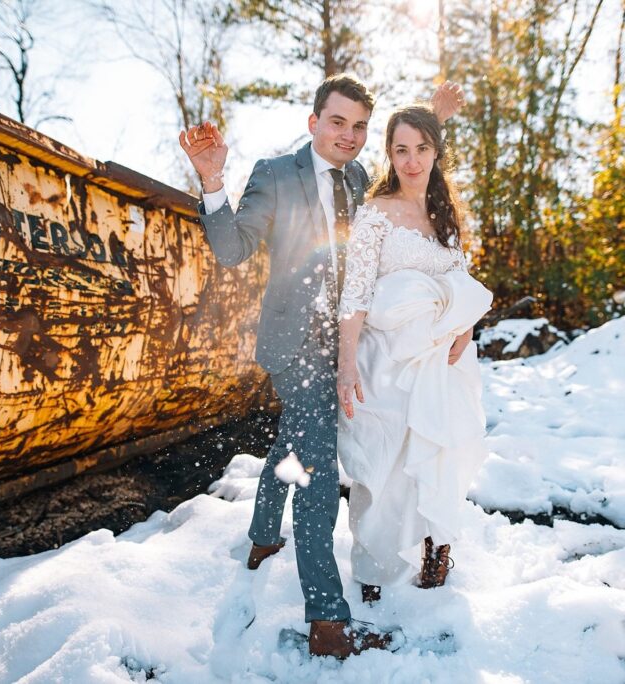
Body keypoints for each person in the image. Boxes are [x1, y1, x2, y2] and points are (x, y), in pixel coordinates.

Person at [179, 75, 464, 658]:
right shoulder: (276, 174)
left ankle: (261, 537)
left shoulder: (361, 179)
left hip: (349, 344)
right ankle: (327, 623)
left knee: (295, 446)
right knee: (315, 471)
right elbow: (233, 251)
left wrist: (434, 117)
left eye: (360, 127)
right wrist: (212, 180)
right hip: (295, 343)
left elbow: (413, 172)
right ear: (314, 123)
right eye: (339, 122)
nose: (350, 136)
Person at [336, 104, 492, 604]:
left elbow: (460, 281)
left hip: (442, 361)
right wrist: (344, 363)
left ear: (435, 152)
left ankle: (435, 546)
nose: (412, 159)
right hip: (386, 360)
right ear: (389, 154)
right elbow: (355, 292)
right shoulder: (375, 213)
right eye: (401, 149)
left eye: (422, 148)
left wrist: (466, 326)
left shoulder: (447, 215)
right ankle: (375, 564)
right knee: (386, 464)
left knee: (439, 453)